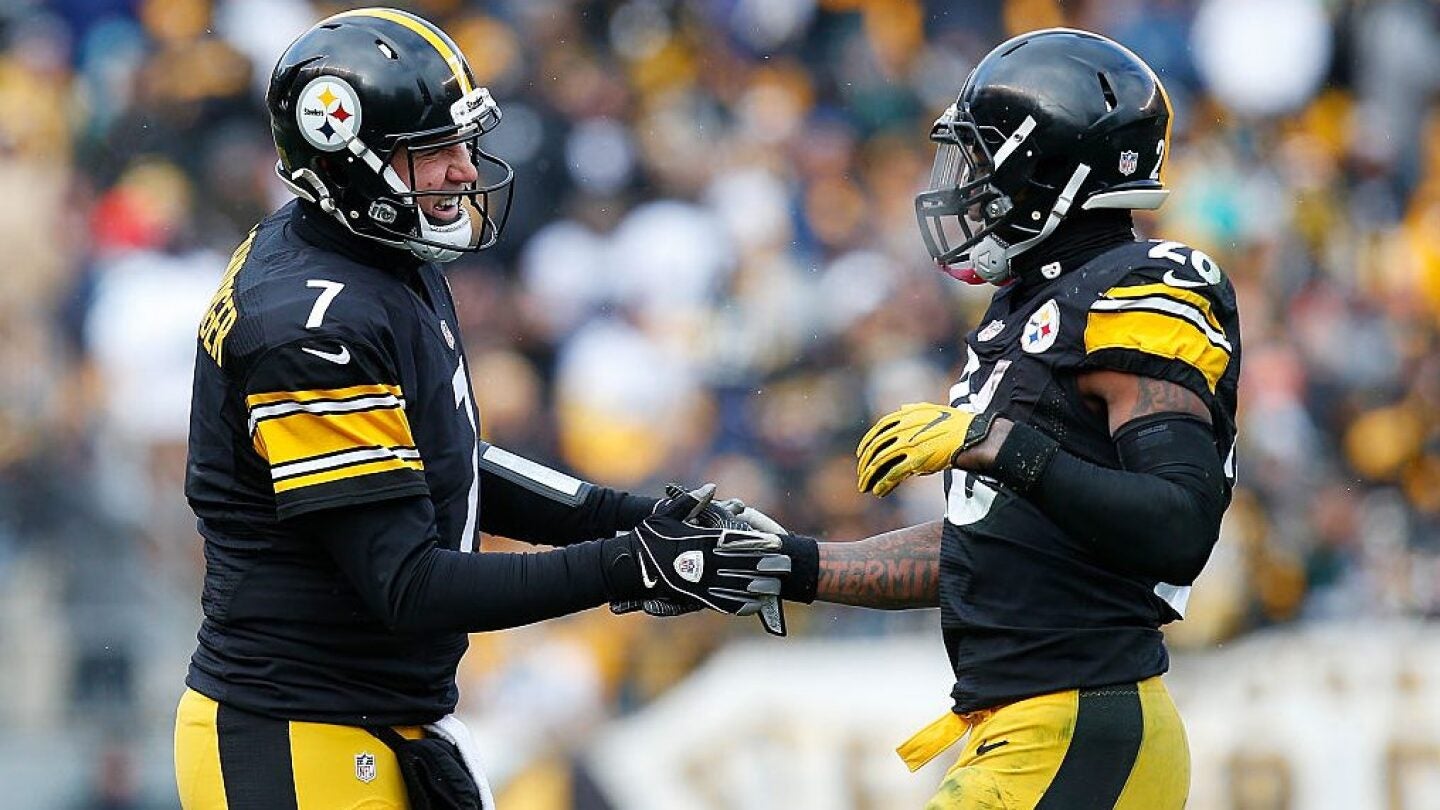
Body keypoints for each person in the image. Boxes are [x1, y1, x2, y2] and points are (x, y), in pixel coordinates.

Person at [173, 9, 811, 809]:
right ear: (343, 156)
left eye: (461, 143)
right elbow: (406, 584)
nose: (463, 171)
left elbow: (446, 464)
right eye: (431, 151)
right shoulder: (311, 325)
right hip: (301, 732)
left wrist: (637, 516)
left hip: (376, 721)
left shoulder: (372, 255)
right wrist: (631, 563)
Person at [774, 28, 1241, 809]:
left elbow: (1180, 525)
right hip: (1032, 726)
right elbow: (989, 548)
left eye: (985, 165)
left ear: (1051, 171)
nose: (967, 188)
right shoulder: (1027, 310)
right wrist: (798, 564)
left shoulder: (1134, 289)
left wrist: (996, 444)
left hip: (1081, 722)